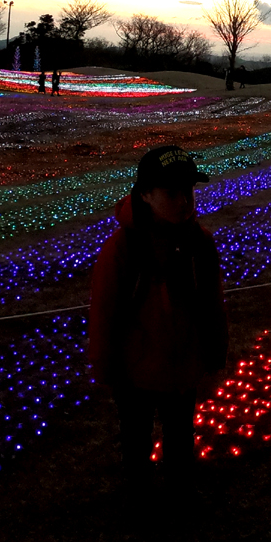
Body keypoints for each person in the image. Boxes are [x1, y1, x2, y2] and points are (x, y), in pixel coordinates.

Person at [88, 144, 228, 507]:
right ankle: (139, 497)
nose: (185, 201)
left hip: (183, 368)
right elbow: (105, 310)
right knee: (136, 437)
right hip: (136, 370)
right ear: (146, 194)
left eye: (189, 191)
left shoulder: (200, 243)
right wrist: (106, 366)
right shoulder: (122, 248)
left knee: (181, 435)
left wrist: (214, 349)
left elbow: (211, 303)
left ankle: (180, 491)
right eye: (172, 192)